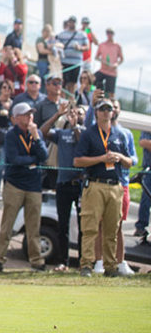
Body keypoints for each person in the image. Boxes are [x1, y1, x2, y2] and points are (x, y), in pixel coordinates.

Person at [74, 98, 132, 277]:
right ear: (97, 112)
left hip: (115, 186)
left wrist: (120, 158)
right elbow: (77, 161)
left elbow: (130, 162)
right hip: (95, 183)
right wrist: (101, 159)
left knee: (112, 228)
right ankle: (86, 264)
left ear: (113, 112)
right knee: (90, 227)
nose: (106, 112)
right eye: (102, 109)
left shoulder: (119, 134)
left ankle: (110, 266)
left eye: (109, 109)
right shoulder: (89, 133)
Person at [0, 103, 48, 272]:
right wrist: (33, 160)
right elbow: (14, 158)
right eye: (25, 114)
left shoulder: (35, 133)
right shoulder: (11, 135)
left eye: (31, 114)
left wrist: (36, 137)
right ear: (16, 118)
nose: (29, 117)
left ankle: (36, 261)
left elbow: (44, 156)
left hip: (34, 186)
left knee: (34, 226)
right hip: (15, 185)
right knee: (7, 224)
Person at [41, 102, 85, 272]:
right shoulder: (63, 133)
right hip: (63, 184)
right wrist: (57, 115)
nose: (75, 115)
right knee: (63, 225)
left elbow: (82, 144)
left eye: (79, 113)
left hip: (81, 185)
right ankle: (63, 262)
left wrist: (76, 126)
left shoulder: (87, 133)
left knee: (83, 226)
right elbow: (42, 132)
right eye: (73, 112)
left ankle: (83, 262)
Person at [56, 15, 89, 94]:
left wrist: (80, 48)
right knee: (63, 83)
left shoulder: (82, 34)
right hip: (65, 61)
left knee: (73, 83)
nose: (72, 24)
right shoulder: (62, 34)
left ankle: (71, 99)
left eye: (73, 22)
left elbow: (87, 46)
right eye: (70, 22)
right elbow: (56, 44)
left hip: (76, 63)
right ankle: (63, 100)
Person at [94, 28, 123, 99]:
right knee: (92, 80)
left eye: (111, 33)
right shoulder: (102, 45)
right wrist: (103, 61)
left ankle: (111, 106)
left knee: (111, 92)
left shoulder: (117, 46)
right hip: (102, 70)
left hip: (112, 72)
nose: (109, 35)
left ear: (113, 34)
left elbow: (121, 59)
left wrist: (116, 64)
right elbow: (96, 57)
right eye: (108, 33)